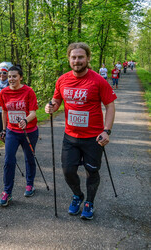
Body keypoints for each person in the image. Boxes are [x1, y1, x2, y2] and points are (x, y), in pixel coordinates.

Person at [45, 42, 117, 220]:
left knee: (92, 171)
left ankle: (89, 202)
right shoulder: (62, 80)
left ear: (88, 58)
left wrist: (107, 130)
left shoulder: (98, 80)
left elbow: (110, 106)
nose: (77, 60)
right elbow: (56, 100)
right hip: (70, 136)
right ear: (69, 59)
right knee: (68, 171)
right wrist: (51, 107)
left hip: (93, 138)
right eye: (74, 57)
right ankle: (77, 195)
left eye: (80, 57)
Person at [0, 65, 39, 207]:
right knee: (9, 160)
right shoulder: (4, 92)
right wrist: (3, 130)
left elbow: (33, 112)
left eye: (14, 76)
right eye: (9, 76)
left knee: (29, 158)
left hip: (29, 131)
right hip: (12, 131)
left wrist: (25, 120)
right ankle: (7, 192)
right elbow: (4, 111)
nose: (11, 79)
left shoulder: (28, 91)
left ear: (20, 77)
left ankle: (30, 184)